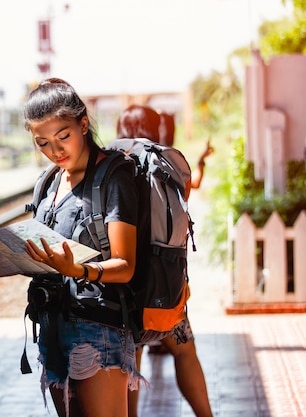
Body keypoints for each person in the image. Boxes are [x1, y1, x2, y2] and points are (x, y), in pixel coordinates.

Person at [0, 78, 144, 417]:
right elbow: (43, 253)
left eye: (64, 136)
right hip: (51, 326)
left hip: (98, 330)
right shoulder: (47, 183)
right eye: (43, 142)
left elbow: (126, 265)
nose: (55, 150)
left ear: (83, 124)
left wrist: (79, 271)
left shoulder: (112, 178)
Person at [116, 104, 214, 417]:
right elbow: (186, 192)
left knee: (131, 362)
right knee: (185, 353)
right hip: (164, 287)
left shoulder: (112, 166)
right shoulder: (166, 164)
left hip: (124, 289)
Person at [158, 112, 214, 190]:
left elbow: (194, 183)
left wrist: (201, 159)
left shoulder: (169, 158)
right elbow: (194, 183)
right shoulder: (168, 158)